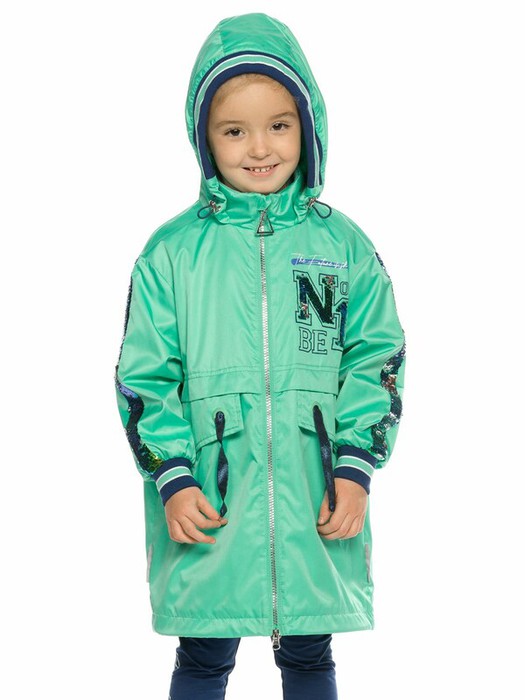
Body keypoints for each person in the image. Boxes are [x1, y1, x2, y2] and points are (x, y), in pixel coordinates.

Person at [115, 12, 406, 700]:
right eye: (233, 130)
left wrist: (355, 465)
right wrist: (172, 475)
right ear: (203, 138)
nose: (259, 148)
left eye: (278, 124)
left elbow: (375, 358)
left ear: (308, 126)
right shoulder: (172, 253)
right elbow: (145, 376)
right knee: (203, 654)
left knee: (309, 652)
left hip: (315, 490)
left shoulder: (341, 246)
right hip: (210, 493)